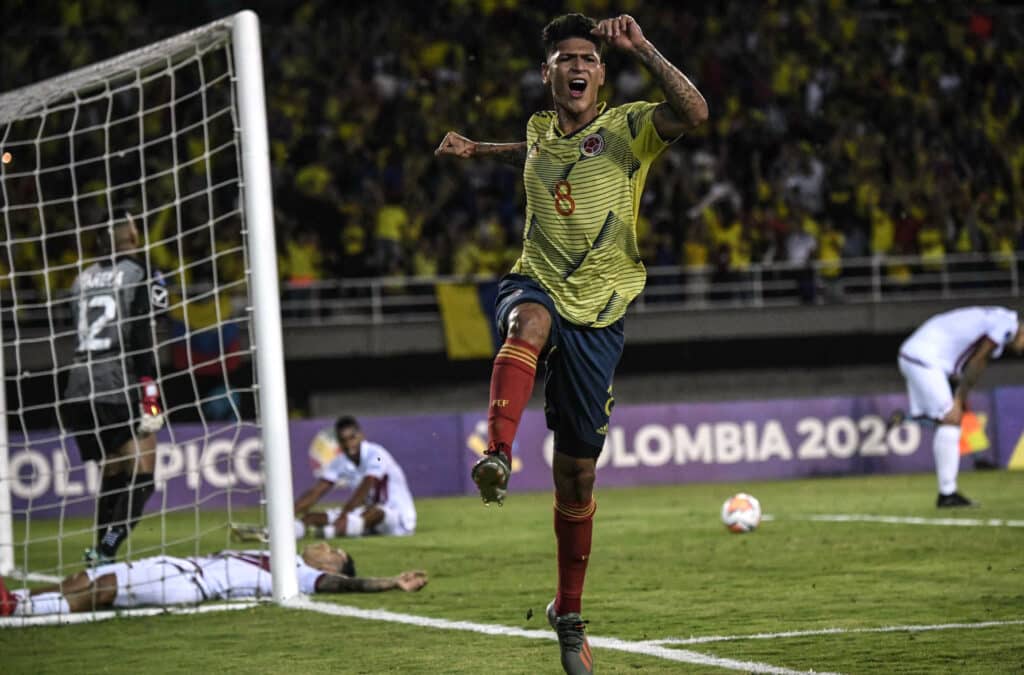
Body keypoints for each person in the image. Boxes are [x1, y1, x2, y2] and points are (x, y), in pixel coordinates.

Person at [435, 13, 707, 675]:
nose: (577, 66)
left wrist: (641, 43)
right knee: (526, 322)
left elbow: (695, 112)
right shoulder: (535, 129)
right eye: (565, 58)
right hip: (538, 281)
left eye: (588, 56)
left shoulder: (629, 128)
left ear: (601, 73)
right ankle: (496, 452)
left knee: (578, 474)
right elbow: (534, 150)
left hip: (603, 309)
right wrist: (478, 150)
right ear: (548, 73)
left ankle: (569, 610)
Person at [61, 211, 168, 565]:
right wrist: (149, 389)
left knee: (113, 467)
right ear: (133, 233)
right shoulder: (142, 272)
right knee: (143, 473)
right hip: (117, 378)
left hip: (78, 382)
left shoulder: (81, 279)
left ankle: (99, 552)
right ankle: (108, 546)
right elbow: (143, 331)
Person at [0, 542, 427, 616]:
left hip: (190, 584)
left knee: (103, 592)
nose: (325, 549)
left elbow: (341, 587)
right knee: (85, 576)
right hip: (178, 563)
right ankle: (15, 597)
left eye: (335, 554)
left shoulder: (303, 574)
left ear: (330, 567)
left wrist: (388, 582)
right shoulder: (282, 550)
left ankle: (18, 609)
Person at [898, 306, 1024, 507]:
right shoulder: (1006, 325)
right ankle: (947, 494)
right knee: (951, 417)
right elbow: (978, 360)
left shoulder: (1000, 317)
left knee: (946, 419)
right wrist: (960, 396)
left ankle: (947, 492)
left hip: (917, 355)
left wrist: (959, 393)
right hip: (925, 358)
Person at [292, 416, 417, 538]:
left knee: (376, 512)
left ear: (361, 436)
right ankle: (287, 533)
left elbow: (368, 484)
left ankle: (331, 532)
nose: (348, 444)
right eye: (343, 440)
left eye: (352, 438)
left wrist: (345, 514)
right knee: (311, 518)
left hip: (397, 517)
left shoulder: (378, 455)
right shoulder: (339, 461)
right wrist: (289, 514)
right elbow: (317, 491)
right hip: (364, 513)